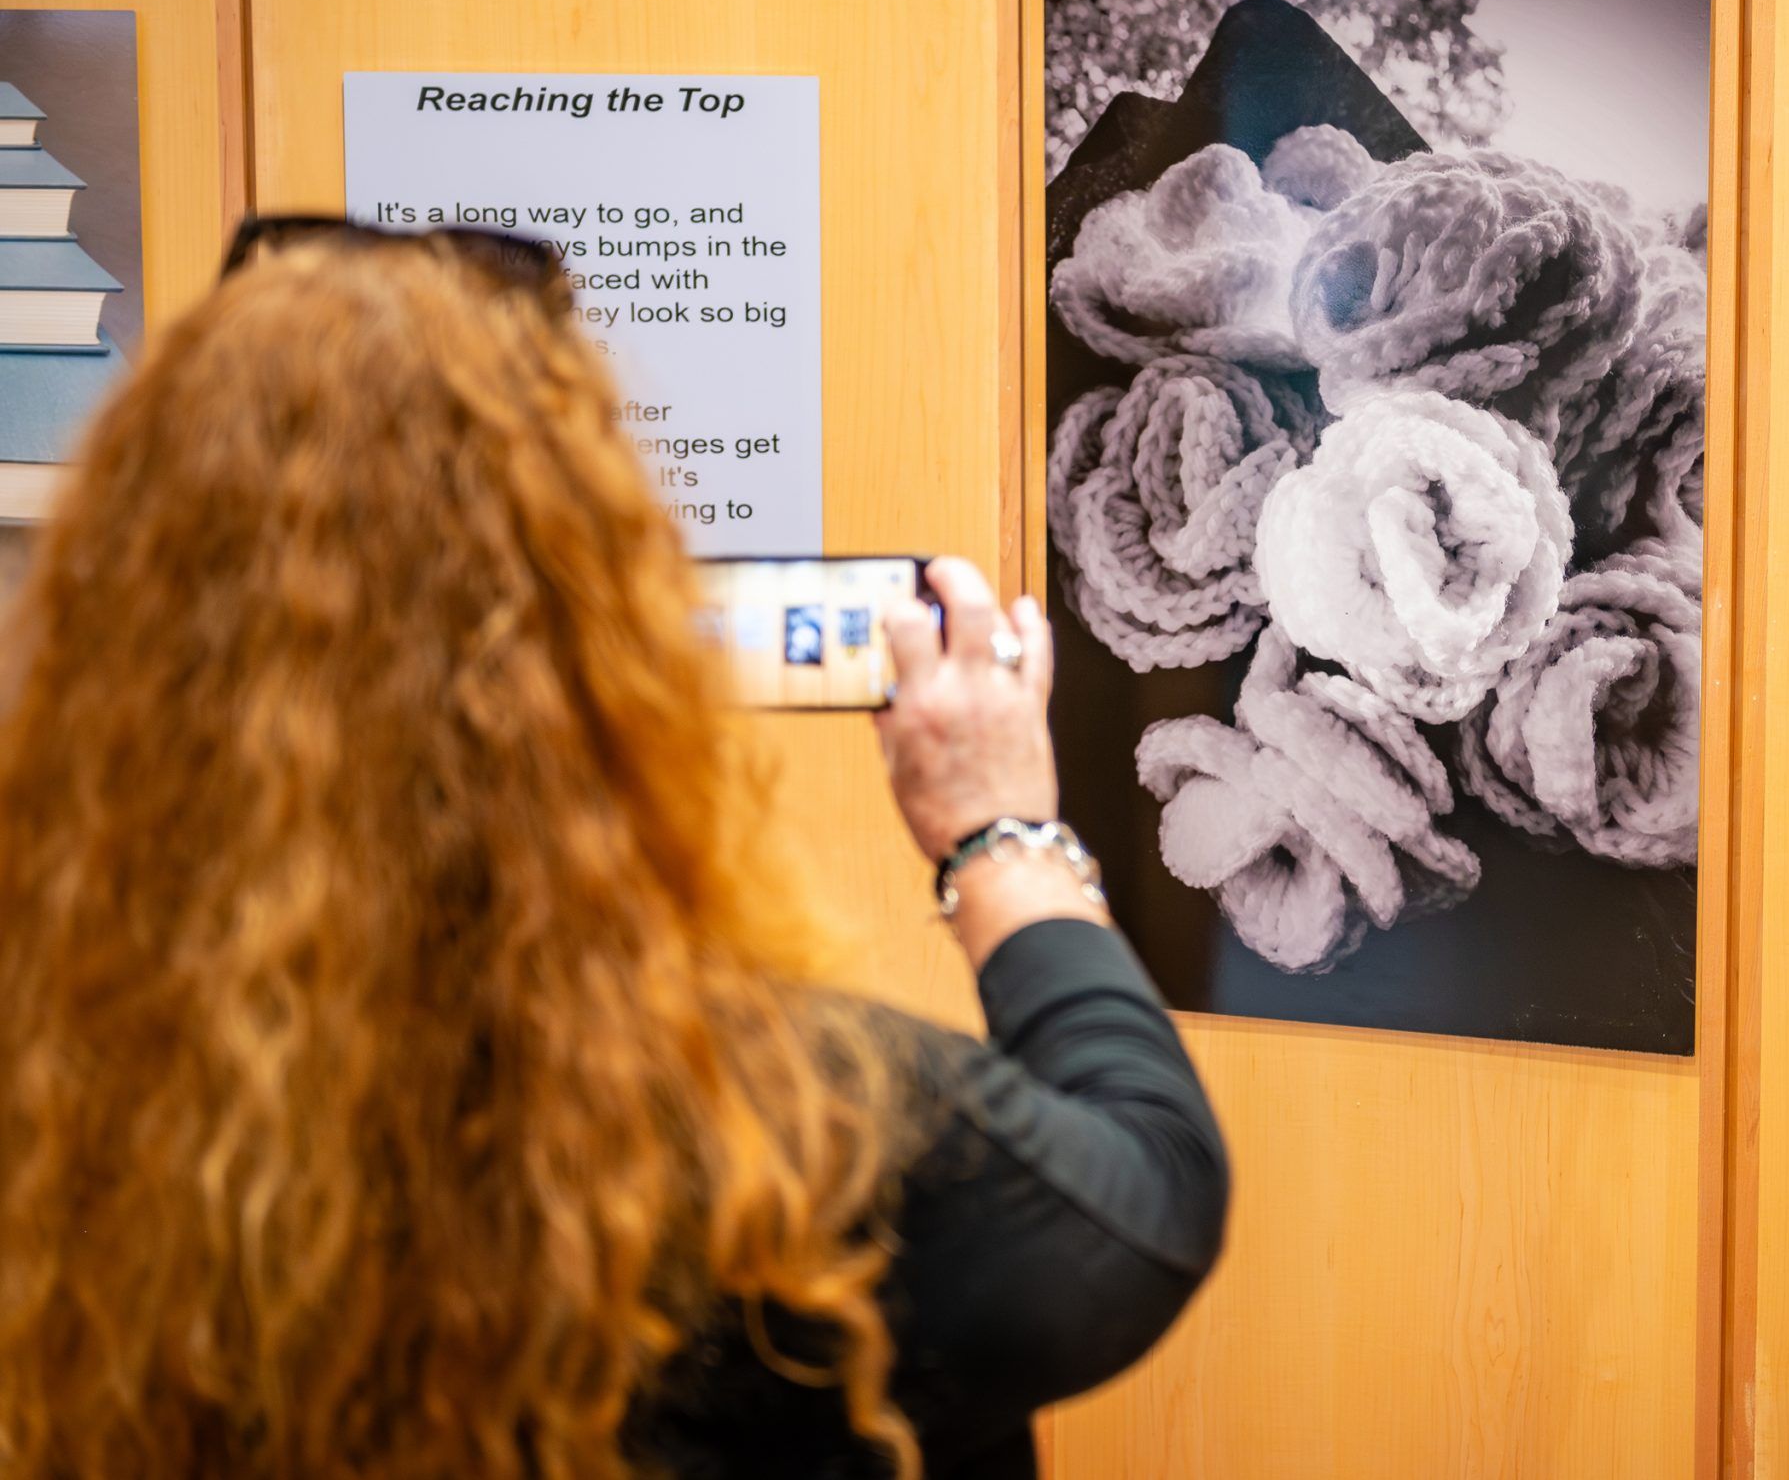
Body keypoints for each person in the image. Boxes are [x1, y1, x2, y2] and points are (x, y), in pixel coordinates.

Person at [0, 223, 1227, 1480]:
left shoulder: (61, 1080)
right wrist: (998, 830)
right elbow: (1144, 1202)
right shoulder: (753, 1135)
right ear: (586, 636)